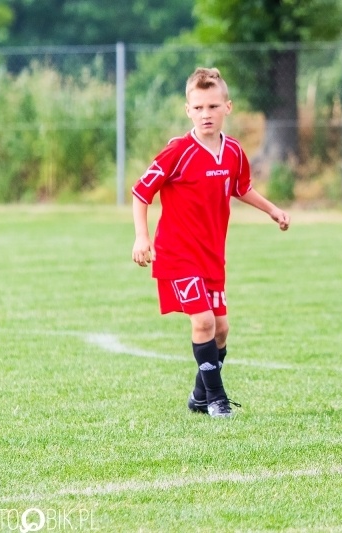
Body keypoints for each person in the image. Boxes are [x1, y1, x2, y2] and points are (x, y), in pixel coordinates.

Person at [131, 67, 290, 418]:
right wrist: (142, 237)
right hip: (176, 254)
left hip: (211, 256)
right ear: (188, 110)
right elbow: (141, 192)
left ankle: (199, 396)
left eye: (213, 106)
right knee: (203, 322)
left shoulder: (233, 151)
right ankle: (217, 400)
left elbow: (241, 188)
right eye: (199, 107)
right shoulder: (177, 151)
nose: (206, 114)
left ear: (227, 108)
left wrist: (273, 210)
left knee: (221, 329)